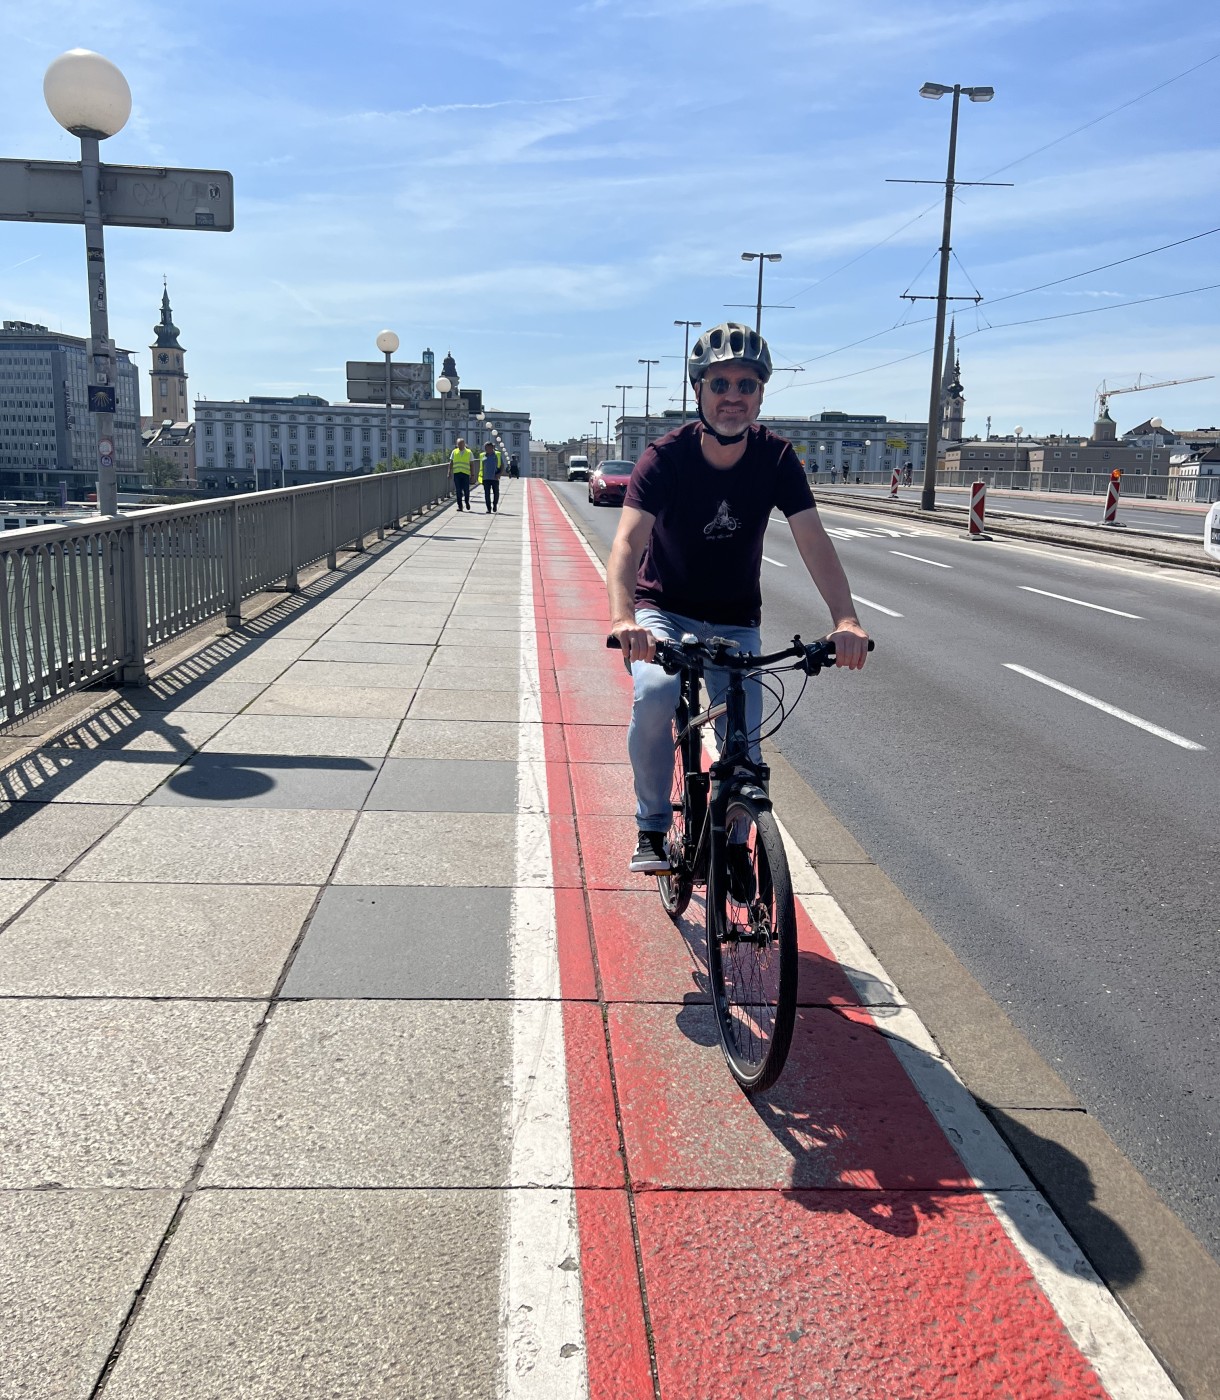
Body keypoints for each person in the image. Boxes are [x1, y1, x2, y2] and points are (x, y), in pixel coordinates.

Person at [607, 321, 870, 873]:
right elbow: (628, 543)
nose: (733, 397)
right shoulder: (665, 458)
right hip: (664, 607)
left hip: (733, 618)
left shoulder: (776, 460)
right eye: (720, 383)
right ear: (699, 390)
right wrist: (624, 616)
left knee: (745, 746)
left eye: (746, 385)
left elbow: (813, 540)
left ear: (761, 393)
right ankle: (653, 825)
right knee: (655, 696)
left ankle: (735, 832)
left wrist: (845, 619)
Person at [450, 437, 473, 512]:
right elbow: (451, 462)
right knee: (458, 490)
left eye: (461, 444)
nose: (460, 446)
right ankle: (460, 506)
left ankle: (466, 501)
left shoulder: (469, 452)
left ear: (464, 444)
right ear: (457, 444)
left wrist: (472, 474)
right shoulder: (454, 452)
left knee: (466, 490)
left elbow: (472, 464)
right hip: (457, 473)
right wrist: (449, 472)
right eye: (458, 444)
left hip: (465, 473)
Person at [481, 440, 500, 514]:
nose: (486, 449)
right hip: (486, 478)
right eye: (485, 448)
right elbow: (481, 467)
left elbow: (502, 466)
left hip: (495, 477)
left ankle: (495, 504)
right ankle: (488, 508)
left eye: (487, 447)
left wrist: (499, 474)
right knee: (487, 494)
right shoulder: (483, 456)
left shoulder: (497, 455)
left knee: (496, 493)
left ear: (491, 448)